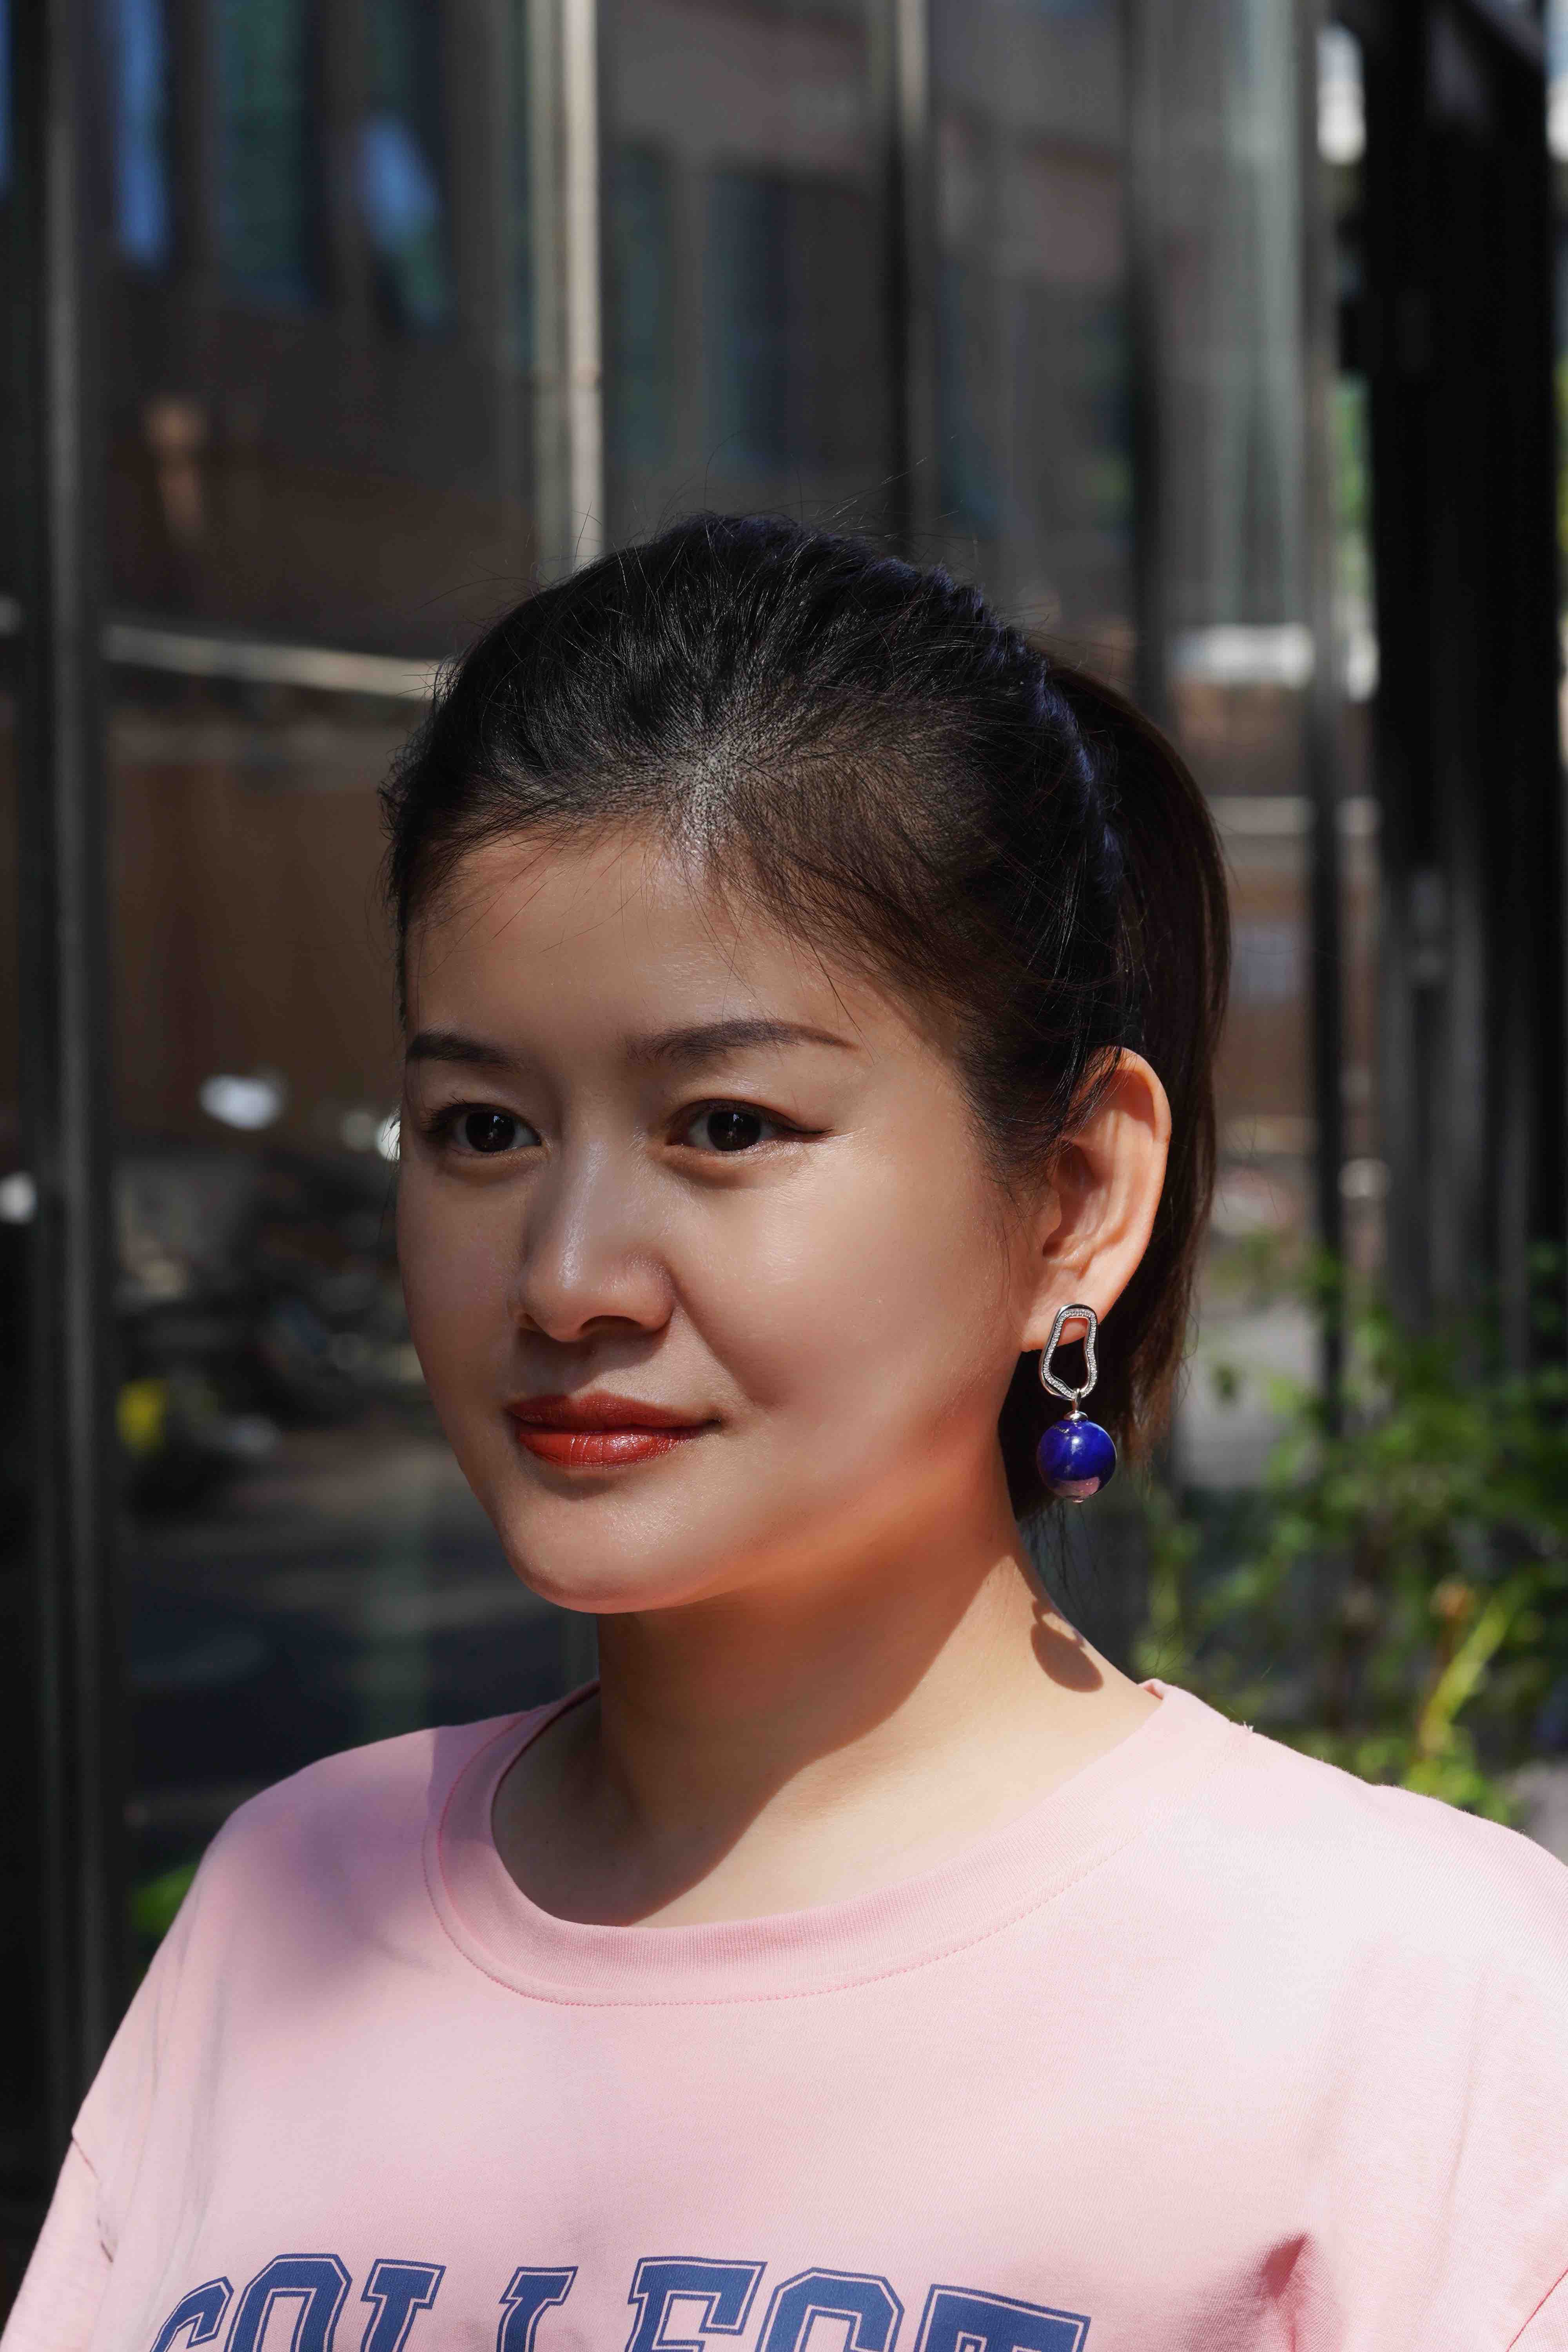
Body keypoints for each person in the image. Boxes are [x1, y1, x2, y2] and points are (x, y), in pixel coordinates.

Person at [7, 517, 1567, 2352]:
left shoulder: (1414, 2002)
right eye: (483, 1130)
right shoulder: (292, 1901)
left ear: (1075, 1198)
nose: (568, 1278)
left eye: (726, 1127)